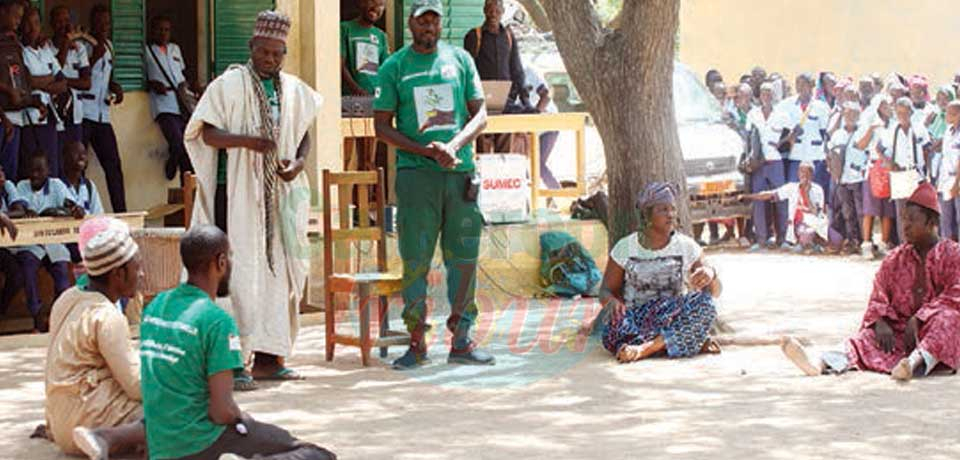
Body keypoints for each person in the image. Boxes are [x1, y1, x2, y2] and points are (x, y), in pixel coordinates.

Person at [185, 10, 321, 389]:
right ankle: (234, 362)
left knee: (278, 273)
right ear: (252, 47)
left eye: (278, 54)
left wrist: (299, 160)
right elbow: (206, 134)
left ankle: (268, 357)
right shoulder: (229, 84)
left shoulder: (292, 89)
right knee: (239, 274)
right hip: (238, 196)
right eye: (265, 53)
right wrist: (249, 143)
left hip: (279, 196)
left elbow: (303, 132)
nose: (271, 60)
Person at [137, 225, 337, 460]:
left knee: (258, 433)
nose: (231, 264)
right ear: (220, 262)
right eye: (229, 257)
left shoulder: (156, 306)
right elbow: (222, 412)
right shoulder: (216, 321)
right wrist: (239, 416)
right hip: (197, 442)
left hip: (160, 442)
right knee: (318, 455)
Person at [374, 0, 494, 369]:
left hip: (459, 174)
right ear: (410, 22)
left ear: (441, 24)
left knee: (463, 259)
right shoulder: (394, 66)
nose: (428, 26)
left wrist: (453, 146)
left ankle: (461, 340)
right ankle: (416, 342)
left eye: (434, 20)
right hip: (415, 177)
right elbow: (381, 126)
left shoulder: (460, 61)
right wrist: (425, 152)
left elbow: (481, 115)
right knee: (415, 259)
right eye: (421, 19)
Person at [782, 183, 960, 381]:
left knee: (948, 320)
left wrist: (920, 318)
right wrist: (880, 322)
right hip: (900, 332)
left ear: (930, 223)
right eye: (903, 220)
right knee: (865, 338)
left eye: (912, 220)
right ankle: (820, 363)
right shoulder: (895, 258)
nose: (905, 226)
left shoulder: (953, 254)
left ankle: (913, 364)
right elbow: (879, 295)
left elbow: (955, 295)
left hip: (932, 329)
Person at [44, 216, 146, 459]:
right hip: (89, 421)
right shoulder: (106, 316)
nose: (141, 275)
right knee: (177, 410)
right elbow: (135, 386)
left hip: (59, 424)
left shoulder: (67, 298)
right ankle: (107, 440)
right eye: (136, 268)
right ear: (118, 274)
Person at [584, 182, 721, 363]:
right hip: (637, 318)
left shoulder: (686, 246)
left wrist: (711, 274)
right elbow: (606, 291)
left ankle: (645, 349)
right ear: (646, 214)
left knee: (706, 304)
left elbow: (715, 292)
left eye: (672, 209)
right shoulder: (626, 247)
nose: (670, 214)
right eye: (663, 209)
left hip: (672, 314)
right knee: (612, 331)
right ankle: (683, 341)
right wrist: (611, 303)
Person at [10, 151, 81, 331]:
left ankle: (57, 317)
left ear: (48, 170)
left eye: (40, 170)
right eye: (32, 170)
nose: (35, 175)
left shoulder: (57, 185)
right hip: (32, 244)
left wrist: (70, 209)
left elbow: (69, 205)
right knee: (27, 266)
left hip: (54, 241)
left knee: (62, 277)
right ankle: (37, 315)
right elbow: (20, 208)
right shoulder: (22, 186)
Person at [465, 0, 529, 154]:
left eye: (497, 10)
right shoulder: (474, 36)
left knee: (504, 151)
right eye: (490, 10)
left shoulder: (508, 36)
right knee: (483, 149)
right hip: (481, 102)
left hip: (506, 102)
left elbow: (517, 68)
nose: (493, 14)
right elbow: (467, 71)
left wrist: (525, 100)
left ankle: (502, 176)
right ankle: (484, 177)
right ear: (484, 10)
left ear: (502, 11)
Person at [80, 5, 126, 212]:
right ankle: (80, 210)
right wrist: (94, 57)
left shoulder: (109, 46)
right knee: (78, 166)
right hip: (83, 113)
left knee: (113, 166)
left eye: (107, 23)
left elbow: (107, 77)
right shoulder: (83, 45)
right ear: (92, 22)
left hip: (103, 116)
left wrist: (115, 87)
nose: (104, 26)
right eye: (99, 22)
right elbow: (79, 78)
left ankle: (122, 213)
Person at [20, 5, 68, 178]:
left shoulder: (45, 50)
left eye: (36, 23)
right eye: (28, 23)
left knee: (51, 169)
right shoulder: (19, 51)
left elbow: (62, 83)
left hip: (49, 117)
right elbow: (25, 82)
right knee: (32, 170)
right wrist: (49, 78)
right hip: (30, 118)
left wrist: (38, 82)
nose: (33, 28)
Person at [145, 15, 194, 182]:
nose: (163, 33)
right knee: (177, 142)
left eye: (166, 30)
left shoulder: (175, 49)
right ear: (152, 31)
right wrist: (151, 84)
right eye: (160, 29)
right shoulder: (147, 51)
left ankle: (185, 190)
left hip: (181, 102)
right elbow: (140, 77)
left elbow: (182, 73)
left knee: (188, 149)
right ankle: (171, 164)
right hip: (163, 104)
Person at [877, 97, 932, 242]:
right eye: (899, 112)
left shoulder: (919, 129)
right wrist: (888, 163)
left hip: (917, 174)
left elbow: (927, 150)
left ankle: (919, 245)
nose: (902, 116)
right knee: (902, 213)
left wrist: (927, 173)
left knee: (919, 212)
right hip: (900, 175)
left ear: (911, 112)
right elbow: (879, 148)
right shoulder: (891, 131)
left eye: (905, 112)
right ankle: (905, 246)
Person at [741, 162, 827, 252]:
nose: (803, 175)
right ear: (798, 173)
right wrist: (748, 196)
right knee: (803, 233)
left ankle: (813, 243)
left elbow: (816, 212)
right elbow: (770, 194)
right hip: (798, 225)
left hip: (814, 224)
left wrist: (806, 194)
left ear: (812, 175)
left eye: (807, 172)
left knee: (813, 233)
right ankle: (805, 244)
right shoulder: (792, 188)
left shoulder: (817, 190)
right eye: (801, 171)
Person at [773, 73, 831, 199]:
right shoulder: (786, 105)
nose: (800, 87)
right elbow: (778, 129)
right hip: (796, 156)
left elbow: (825, 133)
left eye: (804, 84)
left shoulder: (821, 107)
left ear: (812, 86)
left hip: (815, 156)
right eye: (798, 84)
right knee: (795, 192)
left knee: (816, 192)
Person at [747, 82, 789, 251]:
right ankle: (761, 239)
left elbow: (790, 136)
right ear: (759, 95)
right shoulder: (753, 114)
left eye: (770, 93)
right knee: (759, 201)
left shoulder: (782, 114)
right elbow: (748, 137)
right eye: (764, 93)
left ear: (774, 95)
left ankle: (783, 238)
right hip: (759, 163)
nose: (767, 96)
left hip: (776, 162)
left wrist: (782, 144)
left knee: (781, 199)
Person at [48, 5, 91, 157]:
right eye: (59, 21)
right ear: (51, 24)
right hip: (54, 113)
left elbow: (87, 83)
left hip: (76, 114)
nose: (63, 25)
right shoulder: (46, 48)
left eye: (66, 20)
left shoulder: (80, 48)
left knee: (75, 158)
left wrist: (63, 82)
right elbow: (54, 72)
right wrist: (66, 44)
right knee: (57, 158)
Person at [857, 94, 897, 257]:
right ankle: (867, 243)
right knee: (870, 209)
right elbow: (861, 145)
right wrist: (871, 130)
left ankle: (883, 243)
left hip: (889, 169)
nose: (890, 107)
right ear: (879, 107)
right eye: (887, 105)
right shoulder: (872, 124)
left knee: (887, 210)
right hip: (874, 168)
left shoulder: (894, 125)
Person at [828, 103, 870, 254]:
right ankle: (852, 241)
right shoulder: (837, 134)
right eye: (847, 114)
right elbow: (830, 154)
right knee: (847, 212)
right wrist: (832, 171)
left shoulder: (863, 133)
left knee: (861, 212)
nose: (850, 117)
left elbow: (869, 153)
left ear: (859, 116)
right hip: (841, 179)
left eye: (853, 114)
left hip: (858, 178)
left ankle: (864, 241)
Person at [0, 0, 31, 179]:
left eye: (21, 17)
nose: (18, 21)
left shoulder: (13, 42)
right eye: (15, 16)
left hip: (16, 118)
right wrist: (8, 91)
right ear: (3, 11)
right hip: (4, 119)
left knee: (10, 178)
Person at [62, 140, 103, 262]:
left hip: (88, 240)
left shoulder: (90, 186)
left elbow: (98, 216)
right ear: (64, 157)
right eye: (76, 152)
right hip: (66, 241)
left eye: (84, 153)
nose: (82, 156)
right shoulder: (56, 185)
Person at [523, 61, 560, 189]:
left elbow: (547, 95)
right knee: (519, 164)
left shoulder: (528, 69)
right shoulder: (507, 73)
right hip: (526, 127)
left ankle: (558, 195)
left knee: (538, 164)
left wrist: (535, 115)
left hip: (547, 124)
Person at [340, 0, 388, 97]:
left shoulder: (381, 36)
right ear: (361, 2)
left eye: (381, 5)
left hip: (375, 97)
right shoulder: (345, 28)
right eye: (372, 1)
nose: (376, 7)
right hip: (350, 98)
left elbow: (386, 69)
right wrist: (356, 89)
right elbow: (340, 65)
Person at [0, 164, 23, 312]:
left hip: (5, 246)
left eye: (2, 170)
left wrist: (4, 216)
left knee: (17, 275)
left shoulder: (7, 186)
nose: (1, 174)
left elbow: (20, 210)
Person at [937, 101, 960, 242]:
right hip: (946, 180)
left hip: (957, 180)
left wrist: (956, 184)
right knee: (946, 219)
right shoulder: (948, 131)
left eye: (950, 113)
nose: (946, 116)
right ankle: (948, 253)